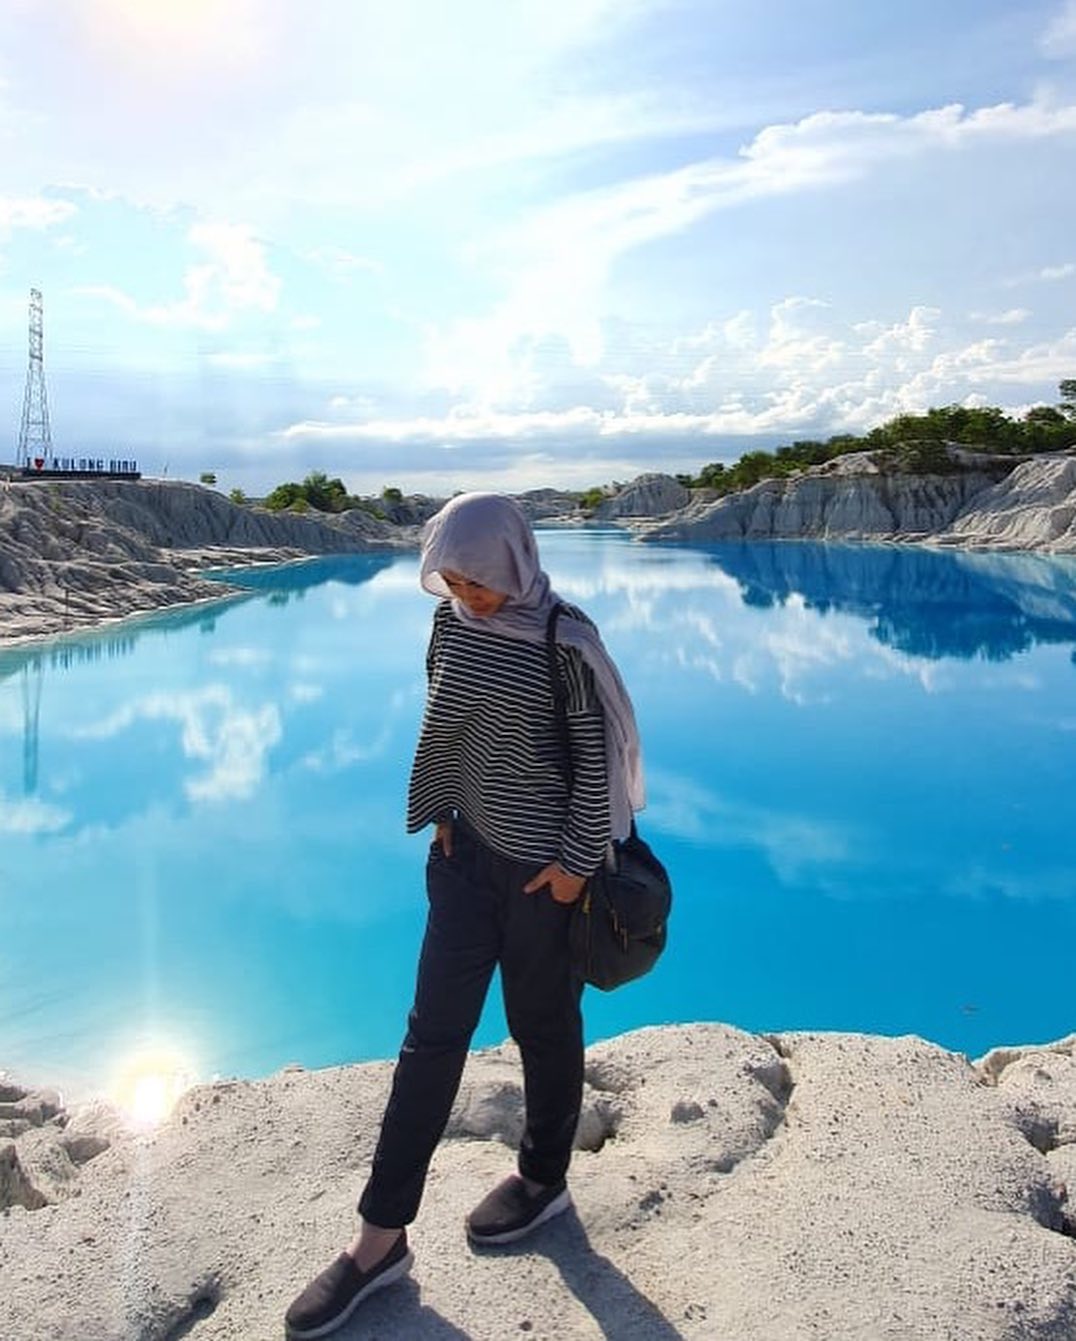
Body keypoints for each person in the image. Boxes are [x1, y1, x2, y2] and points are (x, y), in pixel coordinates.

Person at [285, 492, 644, 1339]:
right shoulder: (451, 624)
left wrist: (569, 867)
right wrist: (445, 808)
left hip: (543, 879)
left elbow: (596, 765)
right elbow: (444, 716)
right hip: (463, 863)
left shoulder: (564, 641)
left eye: (480, 582)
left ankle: (544, 1177)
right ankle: (378, 1239)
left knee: (543, 1025)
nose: (469, 597)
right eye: (452, 581)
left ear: (516, 564)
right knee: (430, 1037)